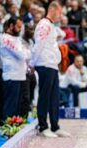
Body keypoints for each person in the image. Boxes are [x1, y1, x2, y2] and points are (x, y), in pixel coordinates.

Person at [30, 2, 70, 138]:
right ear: (52, 10)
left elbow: (54, 45)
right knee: (45, 96)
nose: (61, 15)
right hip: (44, 64)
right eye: (60, 12)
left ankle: (55, 126)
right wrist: (33, 63)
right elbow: (38, 45)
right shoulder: (43, 24)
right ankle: (43, 126)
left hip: (52, 65)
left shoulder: (51, 26)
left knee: (54, 97)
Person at [0, 17, 30, 120]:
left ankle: (15, 128)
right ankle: (7, 130)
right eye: (18, 27)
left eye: (21, 27)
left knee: (18, 107)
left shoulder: (17, 39)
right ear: (11, 26)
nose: (20, 29)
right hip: (11, 76)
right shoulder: (5, 38)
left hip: (21, 75)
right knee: (10, 106)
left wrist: (26, 52)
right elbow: (22, 55)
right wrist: (25, 52)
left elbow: (29, 52)